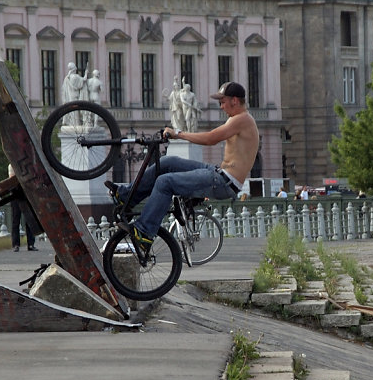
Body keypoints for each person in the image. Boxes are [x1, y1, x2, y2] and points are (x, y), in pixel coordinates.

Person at [105, 81, 258, 254]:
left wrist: (178, 134)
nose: (221, 106)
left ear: (235, 101)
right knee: (167, 162)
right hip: (218, 173)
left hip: (224, 182)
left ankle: (144, 232)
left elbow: (210, 139)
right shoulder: (238, 119)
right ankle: (125, 196)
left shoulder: (241, 119)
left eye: (223, 102)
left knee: (165, 182)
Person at [8, 164, 40, 252]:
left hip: (26, 195)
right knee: (16, 220)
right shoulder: (12, 165)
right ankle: (16, 244)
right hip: (16, 195)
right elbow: (12, 178)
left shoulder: (25, 164)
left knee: (29, 220)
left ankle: (30, 244)